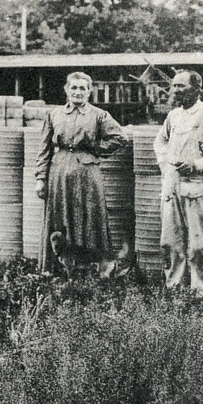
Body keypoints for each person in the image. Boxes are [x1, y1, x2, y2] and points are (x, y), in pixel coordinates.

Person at [35, 72, 127, 274]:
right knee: (58, 218)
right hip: (58, 173)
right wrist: (40, 178)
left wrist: (96, 148)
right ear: (66, 90)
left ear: (89, 92)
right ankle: (56, 268)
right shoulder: (53, 115)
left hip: (87, 174)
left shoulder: (99, 115)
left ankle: (92, 267)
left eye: (83, 88)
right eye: (74, 88)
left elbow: (120, 138)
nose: (78, 92)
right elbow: (43, 149)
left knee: (89, 217)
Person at [153, 70, 203, 297]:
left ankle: (202, 294)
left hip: (198, 189)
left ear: (196, 88)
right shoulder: (173, 117)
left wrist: (197, 164)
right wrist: (165, 165)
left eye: (181, 86)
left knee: (199, 247)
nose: (176, 91)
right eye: (174, 86)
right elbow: (159, 142)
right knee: (170, 243)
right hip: (172, 188)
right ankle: (174, 290)